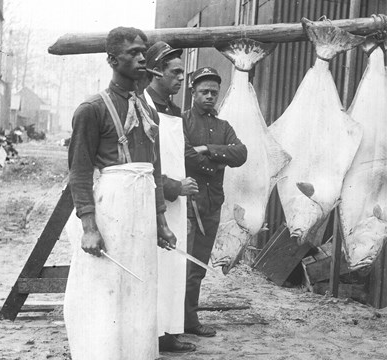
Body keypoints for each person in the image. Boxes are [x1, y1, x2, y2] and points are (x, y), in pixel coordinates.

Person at [64, 27, 176, 360]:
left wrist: (161, 221)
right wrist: (89, 227)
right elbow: (79, 171)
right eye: (132, 52)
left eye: (144, 51)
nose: (142, 57)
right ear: (112, 60)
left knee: (141, 287)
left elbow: (153, 171)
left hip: (142, 211)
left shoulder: (149, 111)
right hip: (110, 207)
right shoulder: (91, 109)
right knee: (107, 287)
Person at [183, 67, 247, 337]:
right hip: (188, 204)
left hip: (212, 205)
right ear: (193, 93)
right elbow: (184, 154)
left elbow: (241, 153)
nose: (209, 97)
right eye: (204, 92)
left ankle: (189, 321)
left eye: (213, 93)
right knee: (181, 265)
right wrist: (217, 161)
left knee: (197, 266)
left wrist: (209, 149)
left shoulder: (223, 127)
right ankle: (173, 320)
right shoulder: (182, 121)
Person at [143, 41, 198, 353]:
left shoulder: (174, 111)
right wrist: (175, 188)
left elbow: (180, 154)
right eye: (175, 73)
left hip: (176, 208)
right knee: (155, 269)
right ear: (155, 73)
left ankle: (169, 333)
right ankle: (153, 333)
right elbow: (144, 164)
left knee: (173, 270)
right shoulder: (145, 108)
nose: (181, 79)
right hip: (155, 204)